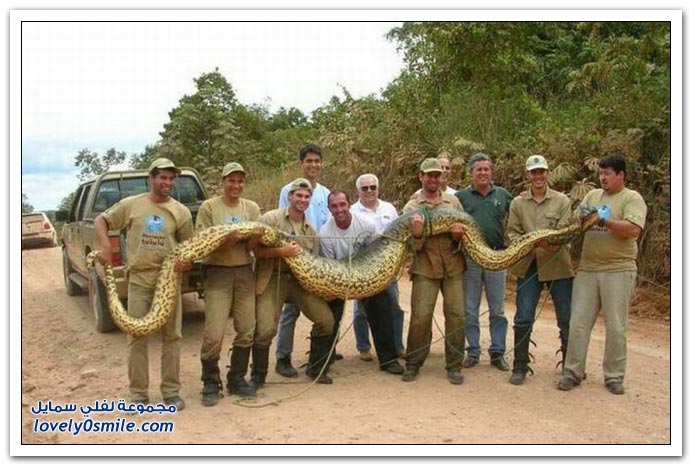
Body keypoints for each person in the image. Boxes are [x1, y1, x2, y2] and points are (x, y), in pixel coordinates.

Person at [94, 157, 193, 411]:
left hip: (168, 280)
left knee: (173, 336)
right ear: (151, 178)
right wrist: (105, 246)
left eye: (171, 178)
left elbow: (188, 249)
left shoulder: (181, 212)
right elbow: (101, 221)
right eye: (163, 177)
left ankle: (171, 392)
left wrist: (186, 263)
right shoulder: (132, 205)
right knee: (137, 335)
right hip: (139, 278)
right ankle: (138, 394)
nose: (167, 182)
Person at [558, 153, 647, 395]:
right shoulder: (593, 196)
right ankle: (572, 372)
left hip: (618, 269)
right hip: (588, 268)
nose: (603, 178)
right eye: (601, 173)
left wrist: (603, 220)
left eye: (607, 173)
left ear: (621, 175)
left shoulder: (632, 198)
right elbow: (576, 221)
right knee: (578, 323)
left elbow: (633, 230)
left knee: (616, 326)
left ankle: (614, 376)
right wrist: (581, 216)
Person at [253, 178, 336, 385]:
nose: (303, 200)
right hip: (274, 277)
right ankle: (258, 376)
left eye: (307, 197)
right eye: (299, 195)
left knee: (326, 321)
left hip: (300, 282)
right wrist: (281, 252)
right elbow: (256, 251)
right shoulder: (270, 219)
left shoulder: (311, 231)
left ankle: (316, 368)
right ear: (290, 196)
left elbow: (315, 262)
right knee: (265, 329)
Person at [194, 162, 263, 405]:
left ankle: (237, 378)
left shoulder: (251, 208)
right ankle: (210, 382)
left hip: (244, 271)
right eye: (231, 180)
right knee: (214, 332)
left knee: (247, 328)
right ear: (222, 182)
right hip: (217, 273)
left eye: (240, 181)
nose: (236, 185)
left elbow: (253, 247)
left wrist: (253, 239)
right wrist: (228, 241)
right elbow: (203, 244)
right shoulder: (209, 207)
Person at [505, 155, 575, 385]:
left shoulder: (562, 201)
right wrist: (528, 244)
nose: (538, 176)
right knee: (523, 318)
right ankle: (519, 366)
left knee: (566, 318)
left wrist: (547, 243)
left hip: (558, 266)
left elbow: (565, 232)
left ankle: (570, 367)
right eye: (534, 172)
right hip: (529, 266)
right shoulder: (518, 203)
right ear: (528, 175)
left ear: (548, 173)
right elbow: (512, 232)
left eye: (541, 171)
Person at [320, 191, 404, 374]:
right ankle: (324, 359)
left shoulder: (366, 224)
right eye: (334, 206)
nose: (339, 209)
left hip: (366, 275)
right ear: (329, 209)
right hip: (339, 277)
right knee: (329, 315)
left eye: (342, 204)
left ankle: (388, 360)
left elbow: (377, 253)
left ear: (349, 204)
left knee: (382, 309)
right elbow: (330, 266)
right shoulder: (325, 234)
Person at [401, 158, 466, 384]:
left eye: (437, 175)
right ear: (421, 176)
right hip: (425, 267)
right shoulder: (411, 207)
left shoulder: (453, 202)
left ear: (442, 177)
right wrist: (418, 235)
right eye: (429, 175)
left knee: (456, 316)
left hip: (453, 267)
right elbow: (408, 246)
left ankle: (454, 365)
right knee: (421, 317)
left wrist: (458, 237)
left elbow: (466, 233)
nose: (433, 179)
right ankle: (413, 363)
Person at [274, 144, 332, 378]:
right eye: (309, 161)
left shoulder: (325, 193)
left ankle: (321, 356)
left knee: (322, 309)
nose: (313, 165)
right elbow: (283, 223)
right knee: (291, 311)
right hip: (295, 257)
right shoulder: (288, 190)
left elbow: (328, 225)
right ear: (301, 163)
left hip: (319, 257)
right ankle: (283, 357)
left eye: (317, 161)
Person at [456, 153, 513, 371]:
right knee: (470, 309)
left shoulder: (503, 195)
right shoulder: (461, 197)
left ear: (492, 172)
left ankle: (498, 352)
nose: (483, 173)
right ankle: (472, 351)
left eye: (486, 169)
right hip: (470, 259)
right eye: (478, 169)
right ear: (471, 173)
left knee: (497, 309)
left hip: (497, 257)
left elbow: (517, 216)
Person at [350, 173, 405, 361]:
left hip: (388, 266)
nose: (369, 191)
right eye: (364, 188)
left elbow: (399, 235)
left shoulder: (389, 208)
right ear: (358, 190)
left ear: (378, 188)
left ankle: (397, 345)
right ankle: (363, 347)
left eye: (373, 187)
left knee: (394, 306)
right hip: (363, 267)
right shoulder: (352, 211)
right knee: (361, 310)